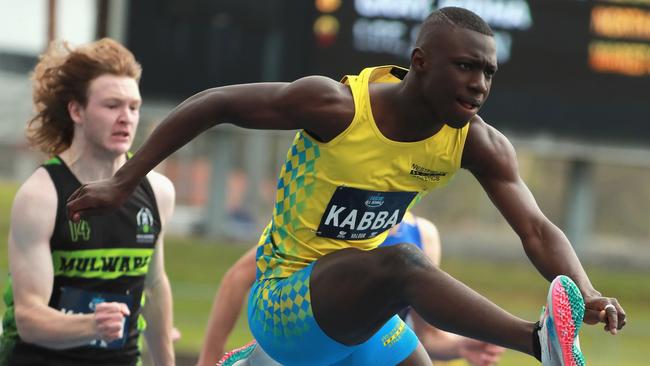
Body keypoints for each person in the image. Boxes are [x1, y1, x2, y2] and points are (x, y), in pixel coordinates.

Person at [67, 7, 626, 366]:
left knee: (397, 290)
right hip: (282, 299)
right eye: (464, 68)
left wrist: (588, 291)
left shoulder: (475, 142)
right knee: (402, 262)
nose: (479, 86)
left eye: (488, 74)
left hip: (360, 307)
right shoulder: (335, 106)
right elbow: (215, 104)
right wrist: (125, 180)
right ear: (420, 63)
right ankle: (538, 341)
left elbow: (534, 227)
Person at [0, 38, 176, 366]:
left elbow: (153, 287)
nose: (126, 118)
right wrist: (92, 325)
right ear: (76, 110)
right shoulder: (41, 195)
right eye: (112, 106)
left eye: (133, 107)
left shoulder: (158, 191)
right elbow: (28, 319)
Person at [199, 213, 504, 366]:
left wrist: (460, 346)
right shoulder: (333, 220)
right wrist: (207, 359)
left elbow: (427, 336)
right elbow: (237, 278)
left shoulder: (423, 236)